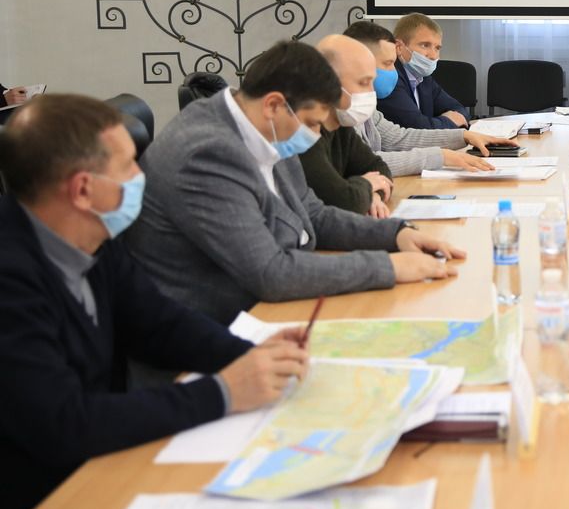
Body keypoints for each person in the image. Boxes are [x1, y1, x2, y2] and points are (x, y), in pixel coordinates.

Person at [0, 94, 310, 509]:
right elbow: (63, 423)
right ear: (83, 190)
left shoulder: (93, 236)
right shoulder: (10, 279)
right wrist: (224, 392)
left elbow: (157, 322)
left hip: (96, 466)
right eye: (128, 165)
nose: (141, 175)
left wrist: (248, 354)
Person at [125, 40, 464, 327]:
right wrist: (388, 267)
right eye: (312, 124)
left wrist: (395, 235)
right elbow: (270, 272)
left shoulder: (262, 124)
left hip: (266, 311)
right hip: (215, 332)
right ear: (274, 105)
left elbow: (313, 214)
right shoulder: (207, 154)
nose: (316, 136)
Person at [342, 21, 518, 176]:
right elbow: (361, 163)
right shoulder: (339, 110)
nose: (393, 71)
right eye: (388, 64)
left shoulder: (364, 105)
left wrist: (464, 136)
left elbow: (398, 138)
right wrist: (440, 156)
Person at [299, 35, 397, 217]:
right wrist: (366, 186)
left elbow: (379, 168)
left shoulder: (342, 126)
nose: (371, 92)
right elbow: (344, 200)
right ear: (329, 82)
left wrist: (373, 195)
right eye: (363, 83)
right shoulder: (304, 134)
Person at [378, 13, 470, 130]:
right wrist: (448, 120)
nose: (433, 55)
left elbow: (459, 110)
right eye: (425, 45)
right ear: (399, 47)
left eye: (437, 48)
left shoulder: (424, 78)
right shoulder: (389, 78)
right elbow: (417, 127)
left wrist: (442, 121)